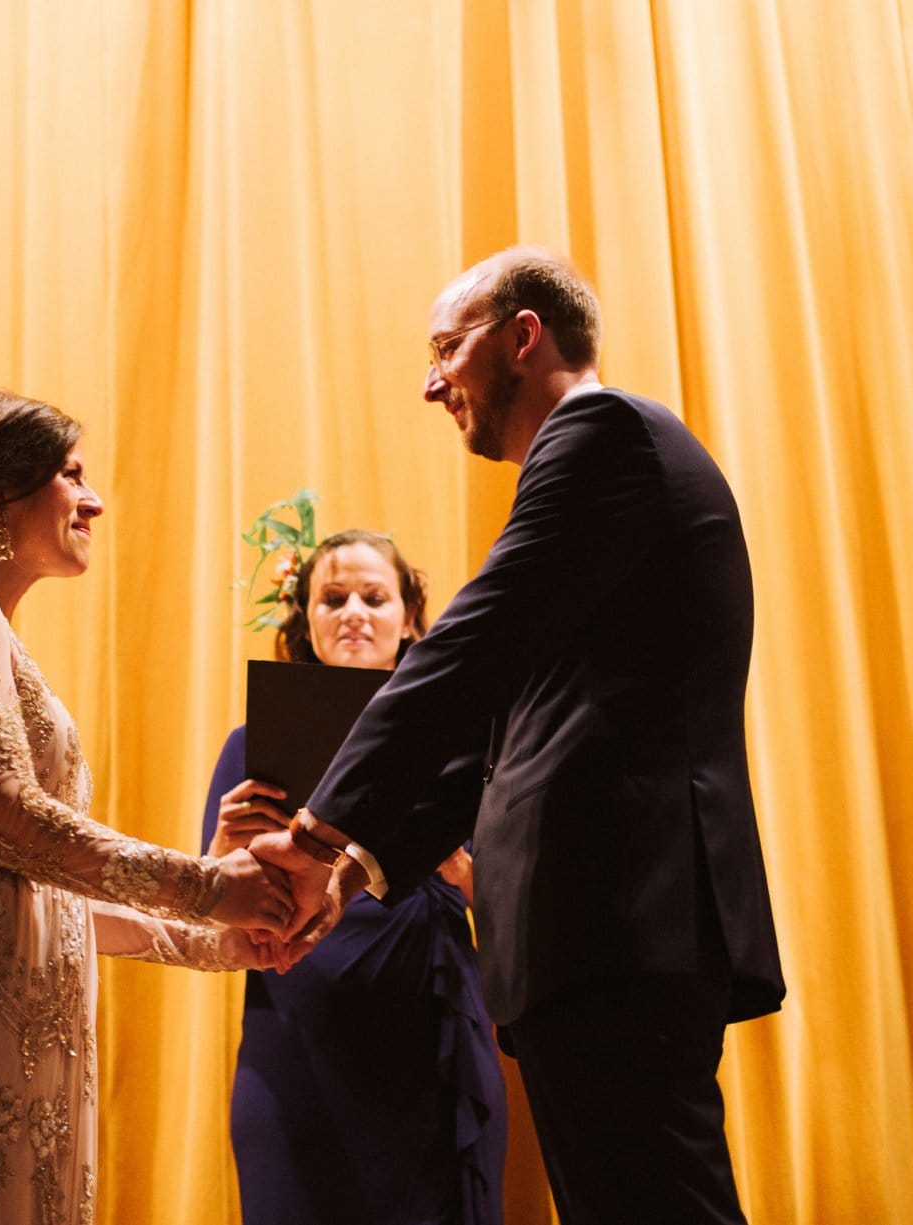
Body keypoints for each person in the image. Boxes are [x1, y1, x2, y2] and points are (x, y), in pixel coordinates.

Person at [250, 247, 785, 1224]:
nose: (430, 381)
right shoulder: (587, 479)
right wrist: (357, 862)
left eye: (447, 348)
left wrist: (321, 828)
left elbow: (472, 643)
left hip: (623, 914)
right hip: (591, 929)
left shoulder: (604, 436)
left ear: (523, 337)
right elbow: (496, 726)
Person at [0, 389, 294, 1225]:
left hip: (0, 1021)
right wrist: (210, 885)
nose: (94, 498)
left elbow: (38, 888)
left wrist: (220, 940)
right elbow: (9, 814)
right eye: (71, 474)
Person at [203, 528, 506, 1224]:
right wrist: (222, 843)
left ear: (410, 622)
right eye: (332, 598)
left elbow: (517, 907)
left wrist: (450, 860)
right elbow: (206, 926)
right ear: (305, 620)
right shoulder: (250, 748)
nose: (353, 613)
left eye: (375, 597)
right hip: (294, 1056)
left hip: (430, 1047)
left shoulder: (464, 742)